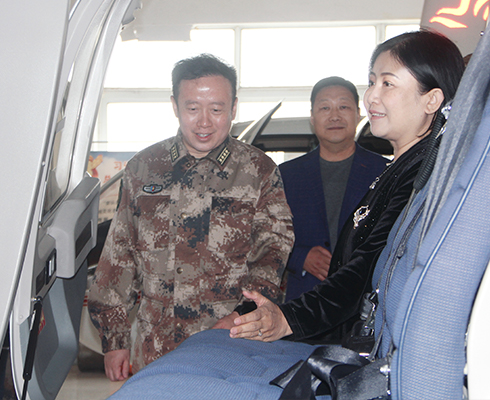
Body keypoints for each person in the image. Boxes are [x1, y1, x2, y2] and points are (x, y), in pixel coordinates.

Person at [107, 30, 465, 399]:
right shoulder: (402, 171)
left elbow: (347, 270)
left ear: (432, 99)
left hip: (255, 324)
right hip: (160, 331)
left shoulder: (420, 176)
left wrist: (280, 317)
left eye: (387, 83)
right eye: (372, 81)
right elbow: (119, 255)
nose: (371, 95)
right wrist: (113, 334)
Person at [88, 53, 295, 381]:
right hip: (156, 346)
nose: (204, 122)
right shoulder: (144, 167)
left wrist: (243, 314)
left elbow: (274, 251)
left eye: (216, 109)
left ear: (234, 108)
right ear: (175, 105)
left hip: (231, 341)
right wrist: (115, 339)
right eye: (193, 108)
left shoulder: (258, 171)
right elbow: (119, 254)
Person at [279, 76, 387, 301]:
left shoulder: (385, 171)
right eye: (325, 107)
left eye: (344, 107)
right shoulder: (285, 175)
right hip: (304, 301)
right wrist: (300, 257)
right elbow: (264, 237)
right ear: (312, 117)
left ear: (358, 114)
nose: (335, 116)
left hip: (364, 299)